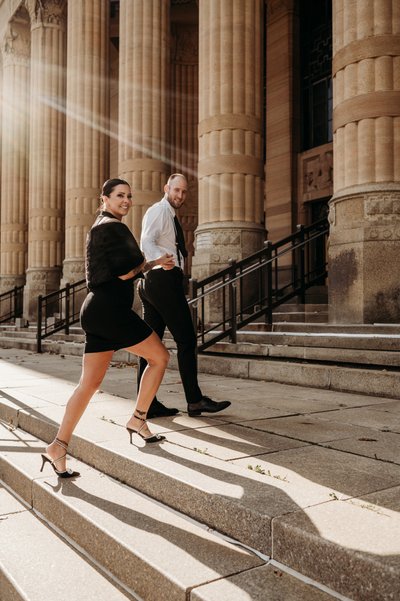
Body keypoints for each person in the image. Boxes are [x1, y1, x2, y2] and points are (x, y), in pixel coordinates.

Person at [40, 178, 174, 478]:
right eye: (119, 196)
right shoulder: (113, 227)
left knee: (88, 385)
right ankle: (138, 418)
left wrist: (149, 265)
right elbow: (129, 267)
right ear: (105, 199)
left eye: (129, 196)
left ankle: (57, 447)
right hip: (111, 311)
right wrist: (153, 263)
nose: (126, 201)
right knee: (160, 357)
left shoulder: (98, 227)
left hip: (96, 309)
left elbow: (122, 270)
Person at [138, 173, 231, 418]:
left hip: (155, 282)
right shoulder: (159, 211)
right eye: (176, 190)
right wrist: (160, 260)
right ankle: (195, 400)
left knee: (151, 344)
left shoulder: (169, 214)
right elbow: (146, 241)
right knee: (187, 340)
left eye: (184, 192)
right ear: (166, 188)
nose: (180, 195)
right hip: (162, 280)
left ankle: (146, 404)